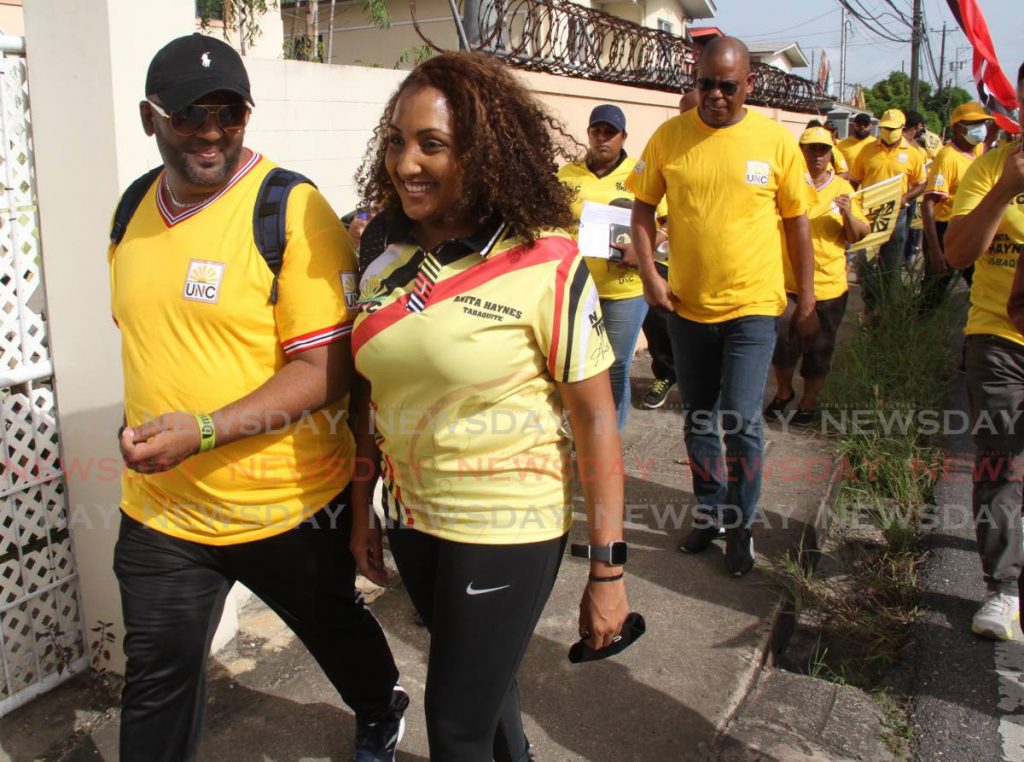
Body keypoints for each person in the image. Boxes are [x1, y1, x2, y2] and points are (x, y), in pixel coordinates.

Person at [108, 34, 404, 762]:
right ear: (151, 119)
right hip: (162, 513)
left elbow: (329, 368)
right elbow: (149, 340)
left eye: (229, 113)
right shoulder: (128, 212)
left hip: (286, 504)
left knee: (336, 629)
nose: (211, 132)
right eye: (189, 116)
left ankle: (379, 705)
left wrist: (204, 431)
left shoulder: (289, 208)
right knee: (155, 681)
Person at [350, 52, 630, 760]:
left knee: (455, 725)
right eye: (396, 141)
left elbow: (596, 423)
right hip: (414, 519)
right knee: (488, 689)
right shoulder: (383, 255)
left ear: (482, 155)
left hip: (507, 520)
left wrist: (608, 572)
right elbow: (372, 392)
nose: (405, 163)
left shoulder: (548, 262)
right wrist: (362, 506)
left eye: (431, 145)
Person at [627, 36, 816, 576]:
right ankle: (709, 512)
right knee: (699, 421)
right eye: (705, 83)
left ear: (748, 86)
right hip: (688, 308)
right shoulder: (669, 138)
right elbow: (642, 212)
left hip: (753, 308)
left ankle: (741, 525)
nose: (714, 95)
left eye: (726, 86)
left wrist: (807, 297)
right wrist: (648, 276)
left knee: (741, 419)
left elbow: (797, 225)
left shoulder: (775, 143)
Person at [947, 63, 1024, 643]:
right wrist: (1004, 191)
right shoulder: (991, 168)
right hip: (998, 339)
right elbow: (955, 254)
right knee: (1001, 462)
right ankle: (1003, 587)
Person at [557, 104, 667, 429]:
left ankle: (610, 435)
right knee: (578, 363)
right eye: (597, 131)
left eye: (610, 132)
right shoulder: (568, 174)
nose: (602, 138)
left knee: (616, 363)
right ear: (589, 134)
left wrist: (642, 247)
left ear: (623, 137)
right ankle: (582, 427)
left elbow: (668, 224)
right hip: (577, 287)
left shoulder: (640, 173)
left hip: (625, 291)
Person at [764, 127, 869, 426]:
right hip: (787, 282)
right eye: (812, 149)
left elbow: (859, 234)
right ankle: (784, 392)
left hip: (828, 285)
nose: (818, 155)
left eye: (823, 149)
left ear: (831, 151)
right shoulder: (787, 183)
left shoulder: (843, 190)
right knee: (783, 343)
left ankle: (809, 400)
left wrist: (848, 214)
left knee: (820, 348)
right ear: (801, 151)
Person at [850, 108, 927, 316]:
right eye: (885, 128)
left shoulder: (913, 154)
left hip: (896, 216)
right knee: (864, 264)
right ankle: (872, 301)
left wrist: (906, 197)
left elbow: (921, 183)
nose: (888, 132)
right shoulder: (867, 151)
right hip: (868, 214)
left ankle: (886, 311)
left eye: (893, 129)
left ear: (902, 129)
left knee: (891, 266)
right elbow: (855, 180)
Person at [919, 101, 992, 311]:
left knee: (979, 286)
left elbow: (990, 138)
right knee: (934, 292)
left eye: (983, 122)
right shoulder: (947, 158)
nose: (981, 128)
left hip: (969, 228)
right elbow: (928, 204)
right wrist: (934, 249)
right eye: (975, 123)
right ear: (958, 128)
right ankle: (919, 336)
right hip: (944, 231)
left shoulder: (976, 149)